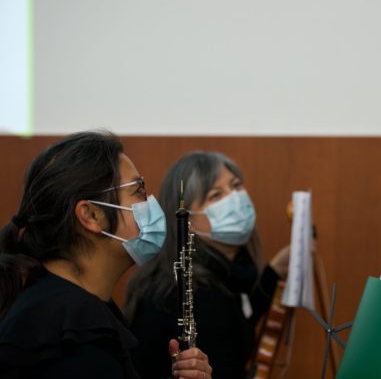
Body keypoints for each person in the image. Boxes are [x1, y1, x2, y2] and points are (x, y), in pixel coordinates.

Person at [0, 131, 213, 379]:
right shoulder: (74, 334)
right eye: (138, 190)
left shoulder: (69, 305)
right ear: (91, 216)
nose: (149, 202)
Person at [124, 151, 290, 379]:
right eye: (215, 195)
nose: (234, 198)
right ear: (187, 220)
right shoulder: (197, 294)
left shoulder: (218, 275)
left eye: (236, 185)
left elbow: (237, 321)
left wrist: (273, 273)